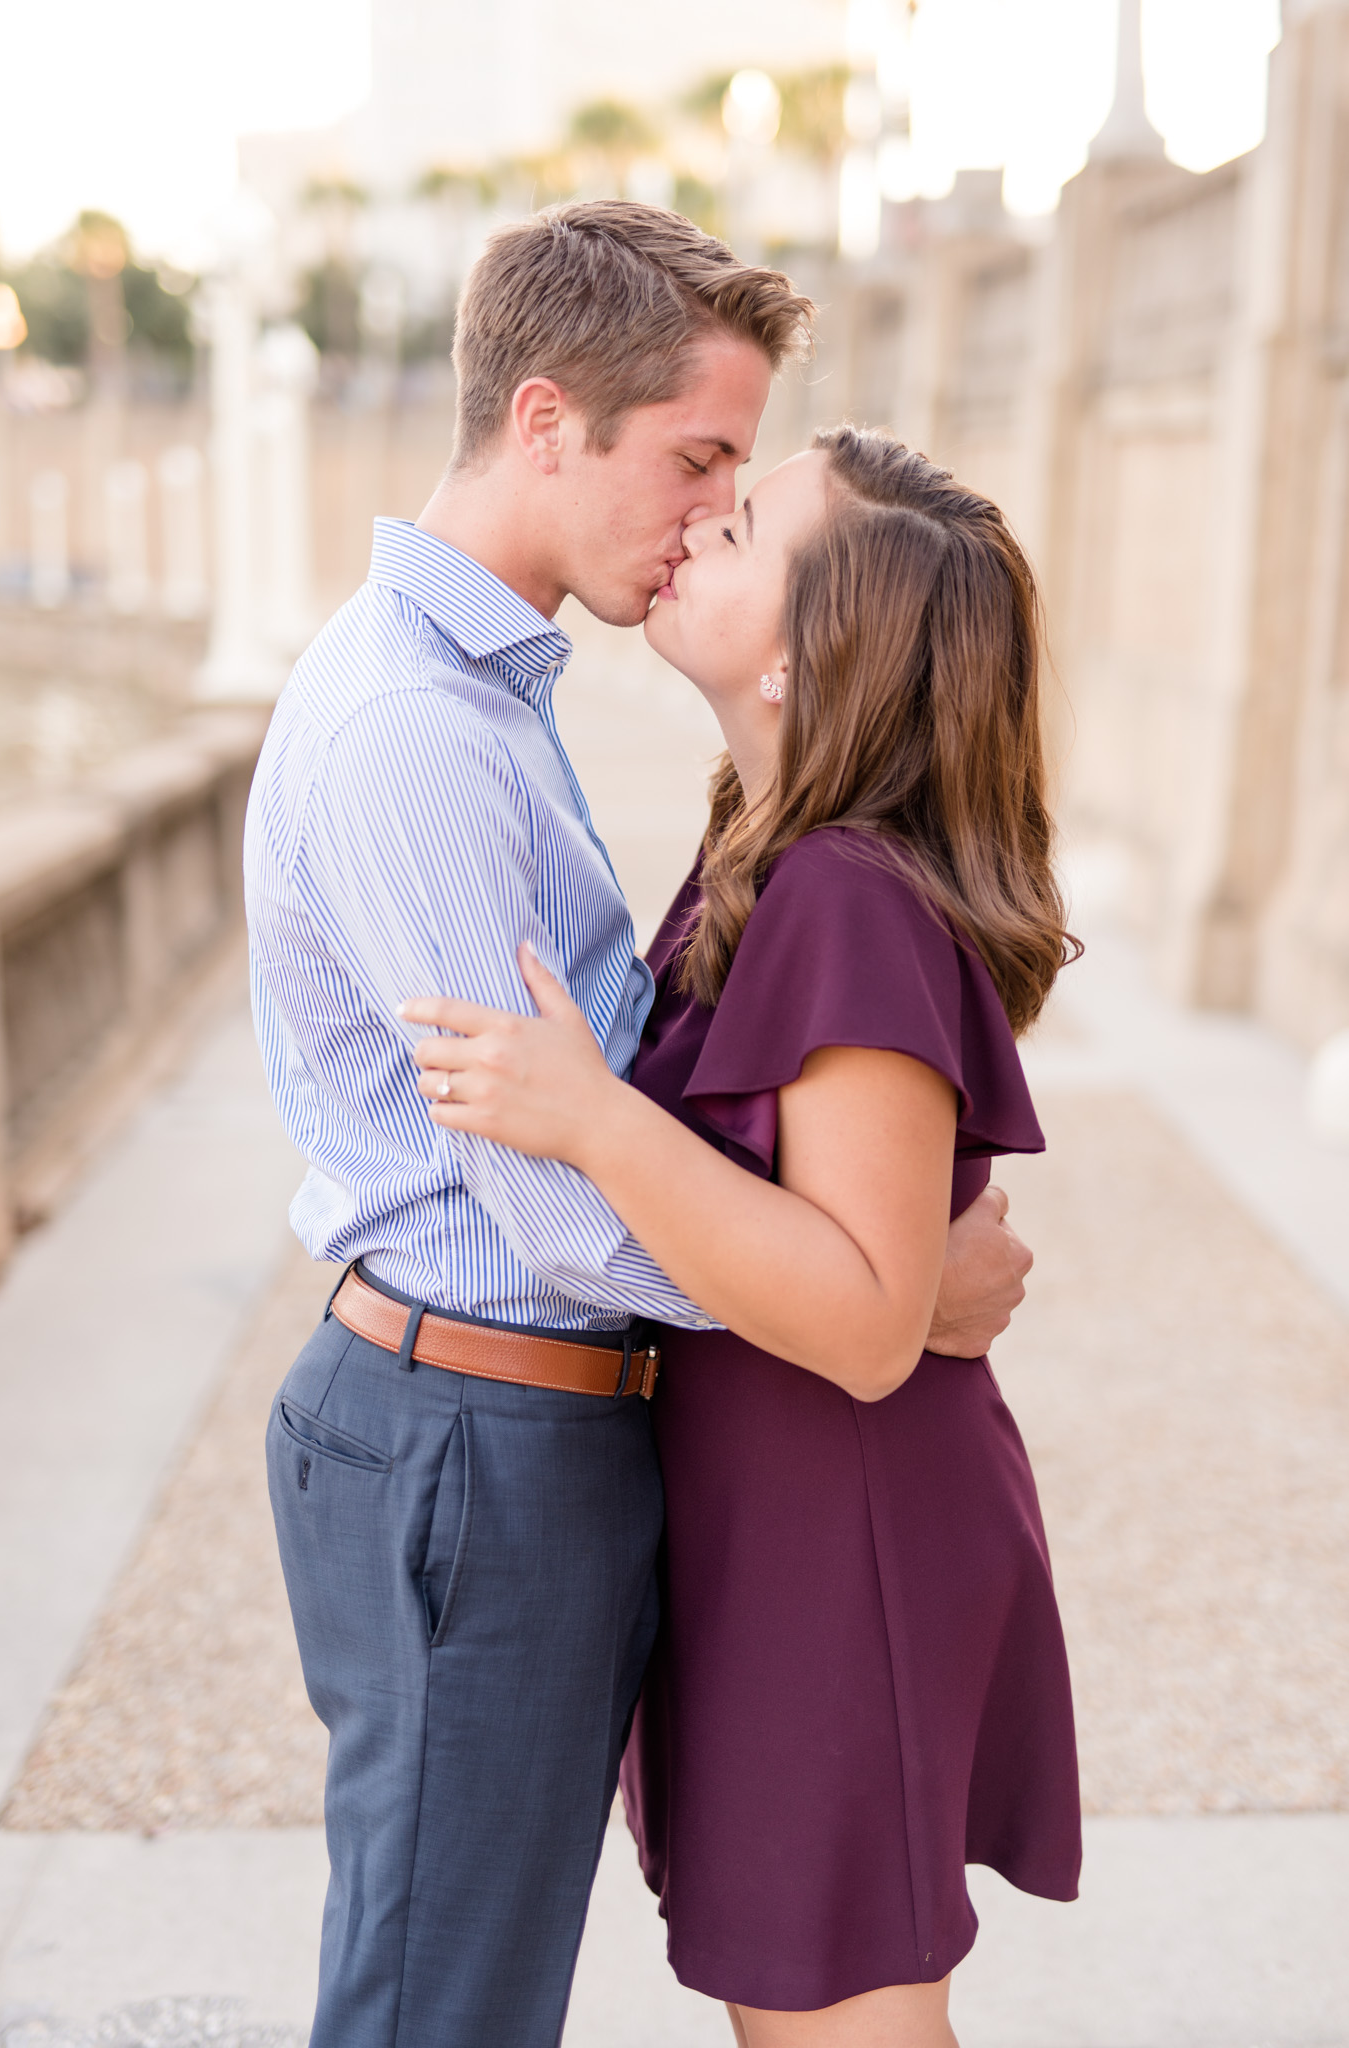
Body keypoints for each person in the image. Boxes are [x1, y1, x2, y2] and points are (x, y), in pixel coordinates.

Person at [246, 200, 1034, 2048]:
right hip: (477, 1426)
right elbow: (554, 1205)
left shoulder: (516, 711)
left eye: (739, 489)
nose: (702, 510)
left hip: (556, 1440)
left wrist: (850, 1261)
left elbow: (619, 1131)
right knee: (446, 2006)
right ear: (544, 422)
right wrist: (890, 1291)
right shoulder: (423, 734)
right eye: (698, 464)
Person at [401, 426, 1082, 2047]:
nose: (701, 520)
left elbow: (855, 1313)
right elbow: (874, 1258)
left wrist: (588, 1112)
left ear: (809, 654)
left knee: (833, 2015)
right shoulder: (767, 852)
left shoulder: (843, 890)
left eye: (749, 517)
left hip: (834, 1549)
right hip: (779, 1527)